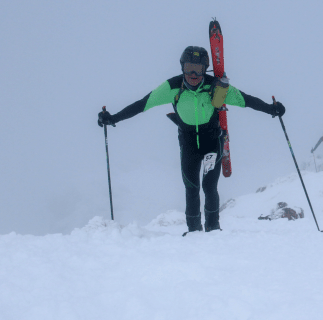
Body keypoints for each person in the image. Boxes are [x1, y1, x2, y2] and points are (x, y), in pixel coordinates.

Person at [98, 45, 285, 233]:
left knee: (209, 186)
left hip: (212, 142)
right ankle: (194, 232)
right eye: (189, 68)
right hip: (188, 144)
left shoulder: (215, 87)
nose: (193, 74)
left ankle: (213, 229)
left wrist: (271, 109)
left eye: (198, 69)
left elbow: (246, 100)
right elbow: (142, 104)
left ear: (205, 69)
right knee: (192, 187)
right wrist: (113, 118)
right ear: (182, 67)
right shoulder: (172, 87)